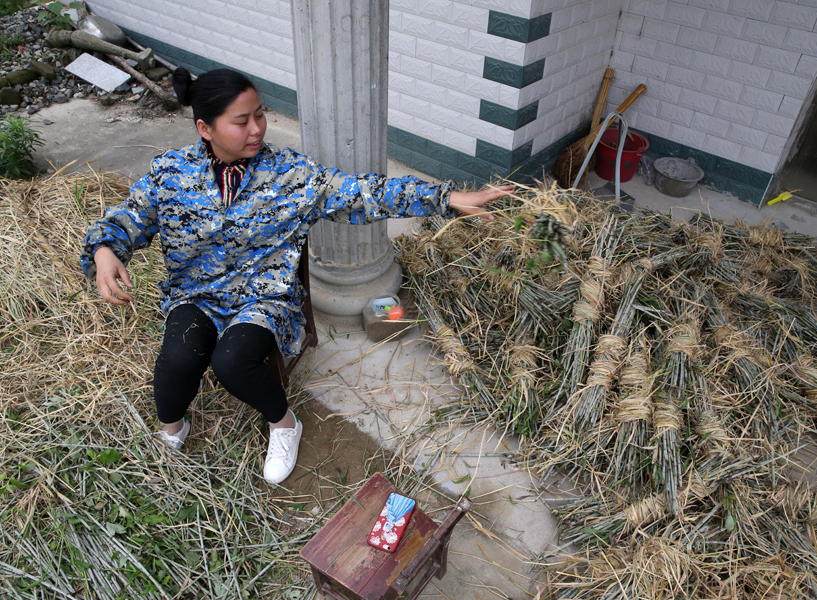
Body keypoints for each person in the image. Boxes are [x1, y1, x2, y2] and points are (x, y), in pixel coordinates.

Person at [81, 67, 512, 485]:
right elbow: (125, 220)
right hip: (196, 294)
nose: (257, 130)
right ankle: (171, 431)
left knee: (232, 362)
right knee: (177, 362)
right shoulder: (170, 173)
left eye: (260, 115)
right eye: (242, 121)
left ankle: (284, 424)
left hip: (263, 297)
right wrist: (104, 252)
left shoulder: (292, 174)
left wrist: (447, 196)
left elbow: (364, 192)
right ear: (205, 128)